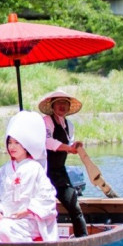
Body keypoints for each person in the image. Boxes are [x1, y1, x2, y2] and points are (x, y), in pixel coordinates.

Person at [0, 110, 58, 243]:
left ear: (26, 146)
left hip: (29, 220)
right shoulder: (4, 169)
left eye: (17, 143)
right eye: (10, 143)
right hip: (6, 218)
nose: (12, 147)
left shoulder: (35, 168)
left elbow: (47, 196)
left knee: (4, 230)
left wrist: (28, 210)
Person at [38, 89, 88, 238]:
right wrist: (69, 148)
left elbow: (69, 144)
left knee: (74, 206)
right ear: (52, 106)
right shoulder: (46, 121)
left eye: (65, 104)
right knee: (42, 209)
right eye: (58, 103)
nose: (62, 106)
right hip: (43, 172)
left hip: (59, 172)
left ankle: (83, 239)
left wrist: (75, 146)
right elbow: (48, 142)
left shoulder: (69, 125)